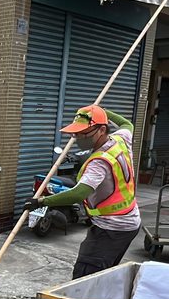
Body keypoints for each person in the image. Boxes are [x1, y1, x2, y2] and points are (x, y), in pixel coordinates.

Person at [25, 105, 140, 279]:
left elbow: (79, 193)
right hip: (130, 221)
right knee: (102, 274)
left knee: (85, 276)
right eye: (75, 134)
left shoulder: (99, 162)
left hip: (112, 228)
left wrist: (42, 201)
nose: (78, 138)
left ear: (102, 130)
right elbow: (126, 123)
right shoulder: (121, 139)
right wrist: (100, 111)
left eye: (83, 134)